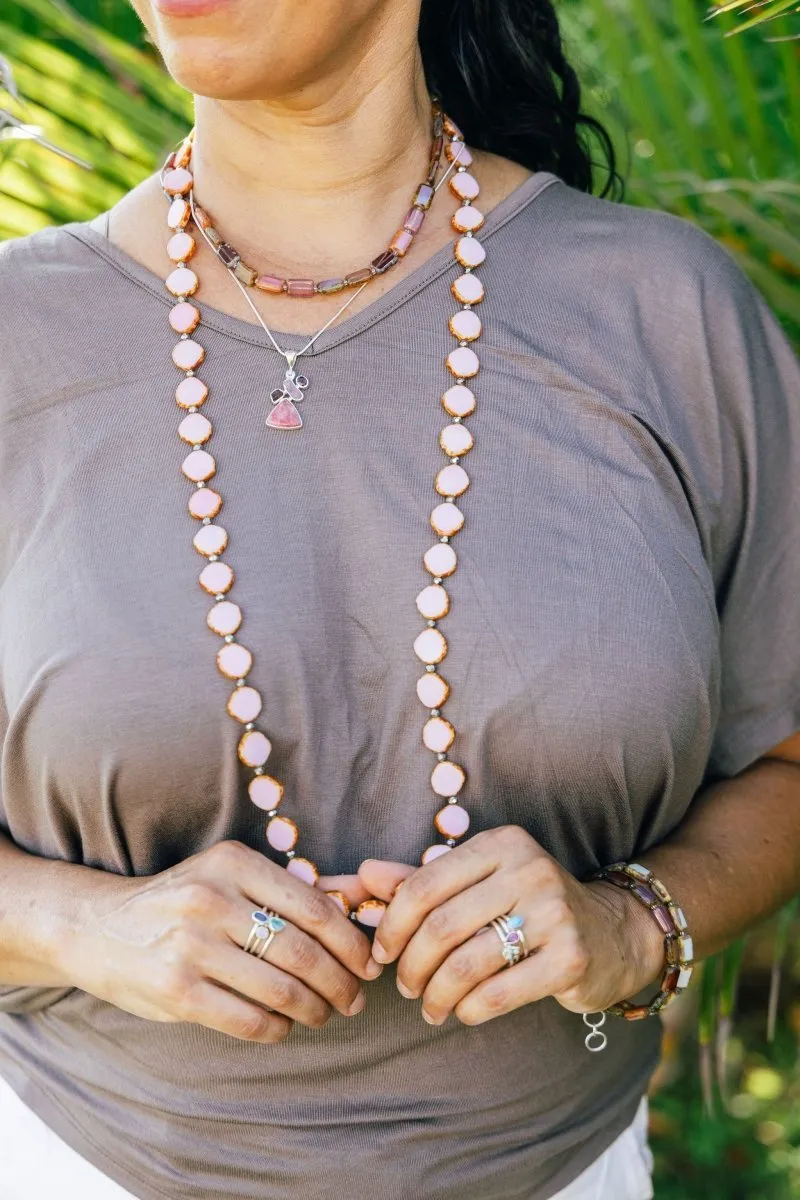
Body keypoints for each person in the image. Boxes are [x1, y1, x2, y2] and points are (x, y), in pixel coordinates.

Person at [1, 1, 799, 1197]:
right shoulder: (20, 336)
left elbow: (783, 760)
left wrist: (634, 923)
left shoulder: (662, 311)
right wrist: (82, 927)